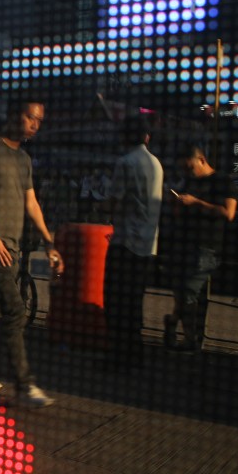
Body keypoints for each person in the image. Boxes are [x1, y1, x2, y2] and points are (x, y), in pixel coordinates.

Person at [0, 98, 63, 407]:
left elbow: (31, 203)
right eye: (30, 117)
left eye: (39, 120)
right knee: (16, 312)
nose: (35, 124)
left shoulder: (24, 159)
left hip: (13, 247)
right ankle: (24, 384)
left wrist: (49, 241)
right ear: (12, 115)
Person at [99, 115, 164, 372]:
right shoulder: (156, 164)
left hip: (125, 242)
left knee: (116, 302)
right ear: (147, 137)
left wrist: (99, 206)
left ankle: (118, 358)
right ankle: (135, 356)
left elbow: (114, 201)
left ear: (124, 137)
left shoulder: (125, 162)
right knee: (134, 302)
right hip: (148, 245)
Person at [163, 144, 237, 352]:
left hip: (206, 246)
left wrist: (196, 202)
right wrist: (178, 203)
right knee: (181, 291)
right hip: (184, 242)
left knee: (188, 292)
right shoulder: (189, 181)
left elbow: (228, 213)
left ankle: (187, 336)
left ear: (201, 160)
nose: (188, 173)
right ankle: (177, 325)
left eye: (190, 168)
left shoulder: (223, 181)